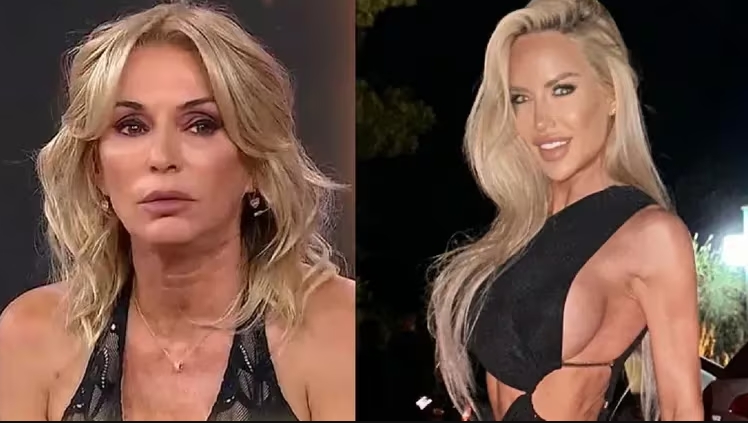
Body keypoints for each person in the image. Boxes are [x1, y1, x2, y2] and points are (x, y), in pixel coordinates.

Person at [0, 2, 355, 421]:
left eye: (201, 124)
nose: (162, 157)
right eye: (131, 126)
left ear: (256, 165)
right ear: (96, 168)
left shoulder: (338, 328)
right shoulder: (31, 336)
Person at [427, 0, 702, 420]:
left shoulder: (651, 236)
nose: (541, 121)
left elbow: (683, 408)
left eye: (562, 90)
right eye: (521, 98)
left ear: (611, 95)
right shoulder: (517, 234)